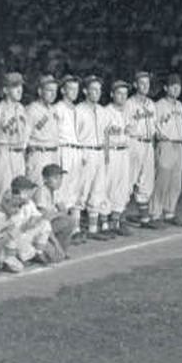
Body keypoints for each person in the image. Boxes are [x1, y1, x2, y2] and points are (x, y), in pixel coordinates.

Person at [0, 176, 51, 274]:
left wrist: (31, 223)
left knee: (44, 224)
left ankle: (30, 255)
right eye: (28, 190)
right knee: (13, 237)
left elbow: (36, 217)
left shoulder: (26, 203)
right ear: (21, 192)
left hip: (8, 240)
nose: (31, 193)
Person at [75, 75, 110, 240]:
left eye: (99, 89)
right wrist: (79, 155)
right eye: (93, 89)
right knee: (81, 190)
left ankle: (93, 229)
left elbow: (106, 135)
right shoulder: (78, 110)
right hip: (85, 151)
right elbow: (75, 135)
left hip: (99, 152)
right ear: (85, 91)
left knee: (98, 189)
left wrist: (107, 156)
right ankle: (75, 230)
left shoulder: (103, 111)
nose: (97, 92)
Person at [150, 74, 182, 226]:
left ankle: (169, 212)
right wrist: (157, 138)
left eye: (178, 85)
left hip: (178, 144)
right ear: (166, 88)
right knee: (162, 181)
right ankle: (155, 214)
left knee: (176, 181)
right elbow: (152, 125)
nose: (176, 88)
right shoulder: (158, 105)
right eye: (173, 85)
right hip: (165, 143)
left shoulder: (179, 105)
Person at [124, 71, 158, 228]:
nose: (145, 86)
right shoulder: (129, 103)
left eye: (147, 83)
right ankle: (118, 219)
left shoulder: (151, 104)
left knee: (146, 182)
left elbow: (155, 126)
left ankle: (144, 219)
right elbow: (124, 126)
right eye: (142, 83)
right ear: (135, 85)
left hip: (148, 144)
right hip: (134, 142)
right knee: (128, 180)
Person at [53, 75, 84, 240]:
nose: (74, 92)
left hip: (77, 150)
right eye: (70, 89)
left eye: (76, 89)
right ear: (63, 90)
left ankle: (76, 228)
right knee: (62, 191)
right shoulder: (58, 108)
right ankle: (63, 228)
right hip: (64, 149)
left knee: (76, 189)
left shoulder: (77, 109)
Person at [0, 72, 28, 206]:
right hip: (4, 152)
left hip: (19, 154)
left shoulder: (22, 109)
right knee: (4, 193)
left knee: (21, 195)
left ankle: (16, 226)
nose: (20, 90)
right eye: (14, 86)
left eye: (21, 86)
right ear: (5, 90)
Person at [103, 80, 133, 236]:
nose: (122, 97)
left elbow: (129, 133)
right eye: (119, 93)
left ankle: (116, 221)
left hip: (124, 152)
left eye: (125, 94)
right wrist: (105, 157)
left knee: (123, 187)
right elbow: (104, 137)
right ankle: (104, 223)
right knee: (109, 186)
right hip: (112, 151)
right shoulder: (106, 111)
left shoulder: (127, 111)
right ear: (112, 94)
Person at [33, 164, 73, 259]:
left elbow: (64, 210)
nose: (59, 181)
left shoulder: (54, 191)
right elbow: (44, 219)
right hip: (36, 230)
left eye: (60, 178)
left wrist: (56, 214)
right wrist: (56, 244)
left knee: (69, 221)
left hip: (47, 227)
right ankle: (38, 250)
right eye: (55, 178)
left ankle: (61, 251)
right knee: (54, 258)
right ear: (45, 179)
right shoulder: (42, 191)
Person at [25, 75, 60, 184]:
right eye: (49, 90)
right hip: (39, 154)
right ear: (40, 91)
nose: (53, 94)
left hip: (53, 153)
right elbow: (24, 138)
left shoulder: (54, 109)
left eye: (55, 90)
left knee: (51, 191)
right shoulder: (31, 109)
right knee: (37, 189)